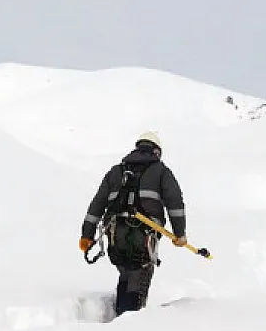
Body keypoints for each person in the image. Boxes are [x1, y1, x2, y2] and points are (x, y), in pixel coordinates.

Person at [79, 131, 187, 316]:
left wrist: (87, 235)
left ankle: (119, 312)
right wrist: (180, 233)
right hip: (143, 234)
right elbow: (175, 203)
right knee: (139, 273)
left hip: (114, 233)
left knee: (126, 272)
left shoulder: (116, 172)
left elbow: (97, 205)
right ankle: (129, 324)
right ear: (156, 151)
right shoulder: (161, 171)